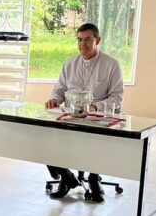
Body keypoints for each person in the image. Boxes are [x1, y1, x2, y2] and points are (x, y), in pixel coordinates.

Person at [43, 23, 124, 201]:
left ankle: (94, 178)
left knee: (95, 141)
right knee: (44, 135)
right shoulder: (69, 64)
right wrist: (54, 99)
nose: (82, 44)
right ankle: (66, 176)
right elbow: (59, 89)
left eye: (87, 39)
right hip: (70, 117)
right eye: (79, 40)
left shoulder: (111, 65)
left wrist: (95, 107)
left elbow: (117, 98)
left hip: (97, 119)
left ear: (97, 40)